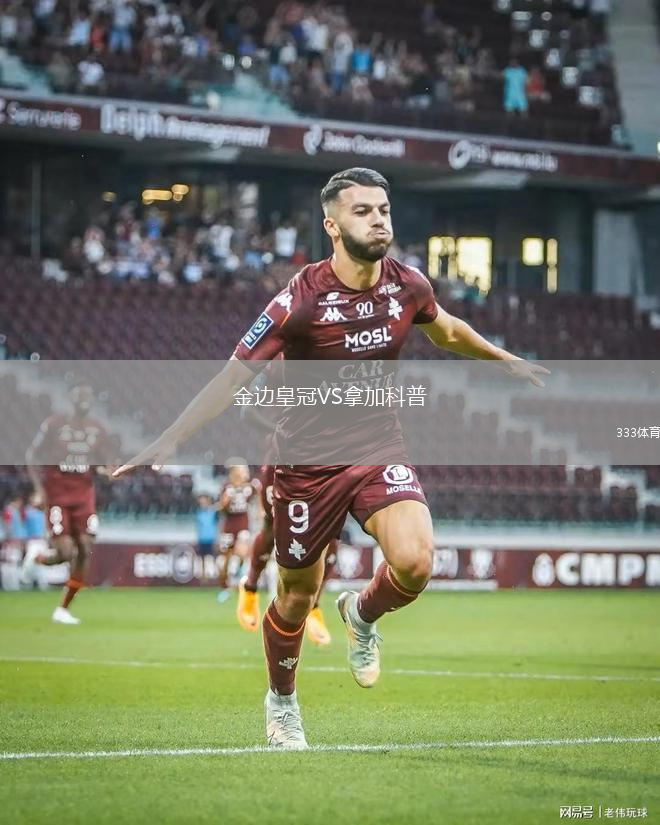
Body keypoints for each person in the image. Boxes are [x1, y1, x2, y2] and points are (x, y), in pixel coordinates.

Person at [113, 167, 547, 749]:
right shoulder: (298, 300)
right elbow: (233, 377)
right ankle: (282, 703)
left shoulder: (408, 284)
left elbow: (445, 330)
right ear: (332, 225)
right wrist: (171, 438)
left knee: (416, 562)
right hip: (305, 464)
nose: (378, 220)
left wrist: (504, 358)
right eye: (362, 211)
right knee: (296, 597)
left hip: (377, 445)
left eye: (384, 210)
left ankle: (361, 615)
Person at [23, 381, 109, 624]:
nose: (84, 398)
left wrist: (106, 471)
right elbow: (31, 455)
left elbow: (101, 463)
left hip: (84, 496)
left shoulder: (97, 429)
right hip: (58, 496)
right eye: (79, 394)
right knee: (65, 552)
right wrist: (39, 490)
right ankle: (37, 558)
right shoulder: (54, 424)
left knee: (84, 547)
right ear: (70, 397)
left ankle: (63, 609)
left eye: (88, 394)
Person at [216, 463, 261, 603]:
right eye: (242, 470)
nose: (245, 473)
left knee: (241, 553)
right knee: (225, 560)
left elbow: (260, 492)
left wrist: (260, 510)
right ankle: (225, 587)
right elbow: (220, 509)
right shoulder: (227, 487)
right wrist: (225, 502)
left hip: (243, 525)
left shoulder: (249, 487)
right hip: (228, 527)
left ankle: (239, 576)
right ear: (234, 472)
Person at [195, 494, 218, 586]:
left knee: (214, 559)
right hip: (202, 539)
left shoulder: (213, 513)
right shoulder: (199, 513)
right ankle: (203, 579)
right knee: (202, 560)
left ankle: (217, 576)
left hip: (211, 539)